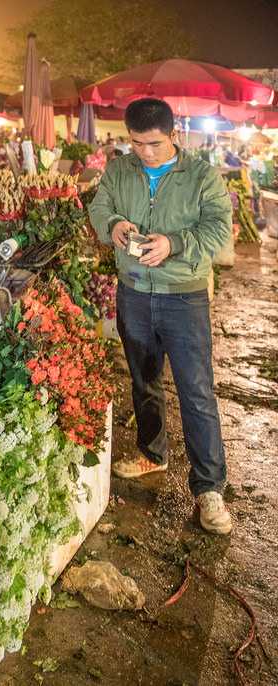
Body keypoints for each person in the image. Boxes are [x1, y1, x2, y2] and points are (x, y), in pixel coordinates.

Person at [89, 98, 233, 535]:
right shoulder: (119, 169)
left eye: (153, 144)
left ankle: (209, 488)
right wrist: (112, 224)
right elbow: (98, 207)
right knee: (143, 378)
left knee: (196, 391)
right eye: (136, 144)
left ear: (173, 135)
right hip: (133, 292)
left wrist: (173, 243)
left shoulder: (202, 176)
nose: (145, 153)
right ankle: (153, 454)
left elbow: (219, 229)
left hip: (183, 296)